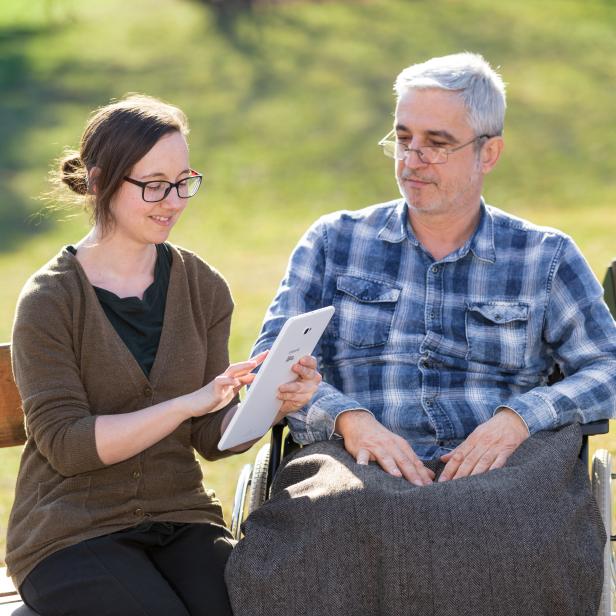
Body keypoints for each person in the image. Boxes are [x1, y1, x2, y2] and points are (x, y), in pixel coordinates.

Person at [225, 53, 616, 615]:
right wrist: (346, 418)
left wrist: (519, 420)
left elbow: (607, 367)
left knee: (504, 530)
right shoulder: (334, 242)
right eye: (404, 138)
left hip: (504, 474)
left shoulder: (545, 256)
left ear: (489, 152)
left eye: (437, 142)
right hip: (354, 465)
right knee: (334, 517)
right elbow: (272, 363)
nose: (413, 159)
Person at [4, 94, 321, 616]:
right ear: (102, 181)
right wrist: (182, 405)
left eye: (182, 182)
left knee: (260, 602)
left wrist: (272, 404)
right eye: (153, 185)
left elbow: (211, 439)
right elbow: (67, 445)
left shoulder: (203, 288)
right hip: (69, 531)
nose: (172, 200)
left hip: (182, 517)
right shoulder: (50, 300)